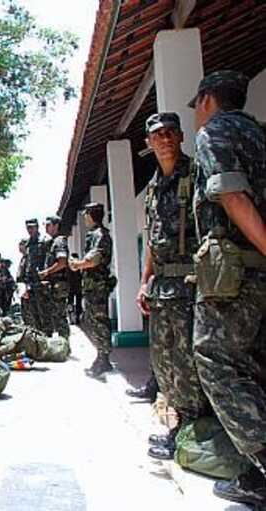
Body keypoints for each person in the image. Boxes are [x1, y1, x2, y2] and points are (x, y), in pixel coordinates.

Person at [187, 70, 266, 506]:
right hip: (256, 273)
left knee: (215, 363)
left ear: (206, 100)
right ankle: (255, 475)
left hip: (234, 274)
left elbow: (232, 195)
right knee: (254, 365)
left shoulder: (214, 133)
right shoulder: (259, 133)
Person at [134, 112, 209, 460]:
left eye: (169, 133)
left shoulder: (195, 174)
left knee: (188, 363)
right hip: (163, 287)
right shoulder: (153, 186)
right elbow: (152, 239)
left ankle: (194, 433)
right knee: (164, 363)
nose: (163, 139)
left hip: (190, 284)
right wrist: (144, 281)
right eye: (156, 135)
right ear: (148, 143)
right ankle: (180, 428)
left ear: (180, 137)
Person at [69, 202, 114, 377]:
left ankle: (104, 358)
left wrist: (77, 264)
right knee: (93, 321)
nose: (84, 217)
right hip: (91, 286)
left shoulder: (101, 235)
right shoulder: (93, 234)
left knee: (100, 321)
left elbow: (94, 259)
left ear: (91, 215)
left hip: (98, 286)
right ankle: (101, 357)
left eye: (86, 214)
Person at [39, 215, 70, 339]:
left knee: (60, 317)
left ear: (56, 225)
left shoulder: (59, 241)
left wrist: (46, 272)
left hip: (59, 285)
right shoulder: (52, 242)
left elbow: (62, 262)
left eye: (49, 225)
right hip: (54, 285)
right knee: (54, 316)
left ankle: (64, 344)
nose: (46, 228)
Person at [22, 219, 49, 333]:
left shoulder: (44, 241)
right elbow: (28, 264)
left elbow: (49, 261)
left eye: (32, 227)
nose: (30, 230)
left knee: (45, 314)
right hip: (31, 284)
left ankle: (48, 340)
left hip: (42, 283)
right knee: (34, 315)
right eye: (28, 227)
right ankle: (39, 341)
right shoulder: (28, 244)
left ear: (38, 227)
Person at [66, 252, 83, 325]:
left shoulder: (70, 266)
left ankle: (71, 318)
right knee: (77, 303)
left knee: (70, 303)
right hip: (77, 287)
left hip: (70, 287)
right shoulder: (77, 266)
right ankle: (77, 318)